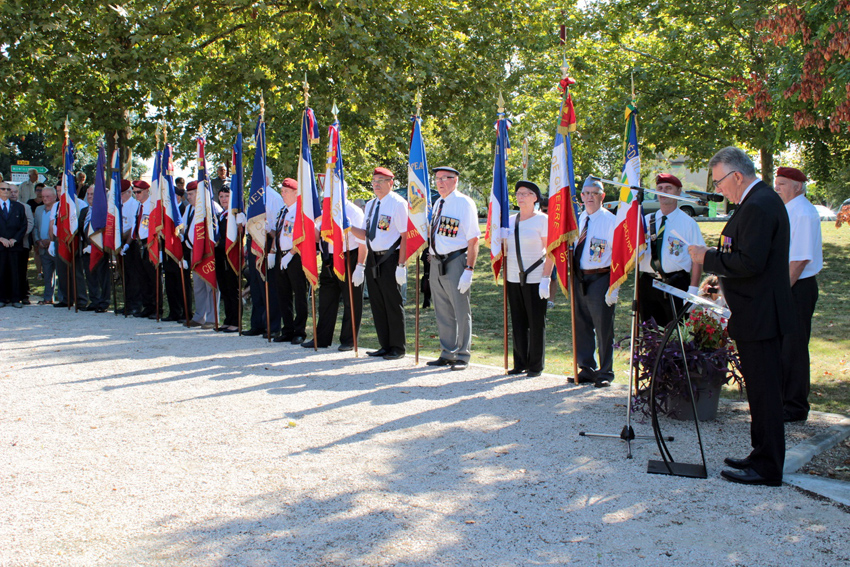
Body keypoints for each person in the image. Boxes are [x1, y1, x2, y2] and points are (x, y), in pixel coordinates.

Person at [688, 146, 795, 487]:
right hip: (754, 313)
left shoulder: (760, 205)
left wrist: (708, 258)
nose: (718, 189)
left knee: (765, 392)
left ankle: (767, 467)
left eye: (719, 182)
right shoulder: (755, 202)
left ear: (737, 175)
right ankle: (760, 452)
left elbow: (751, 262)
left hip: (762, 315)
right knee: (759, 391)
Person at [774, 166, 822, 423]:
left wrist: (780, 292)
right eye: (776, 183)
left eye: (782, 183)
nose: (777, 187)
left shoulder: (802, 212)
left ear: (797, 186)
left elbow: (800, 260)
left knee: (793, 349)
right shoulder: (790, 210)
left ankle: (794, 406)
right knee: (784, 347)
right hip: (789, 285)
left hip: (797, 287)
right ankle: (783, 400)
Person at [425, 166, 481, 370]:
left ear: (455, 180)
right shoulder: (438, 202)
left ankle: (463, 354)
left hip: (456, 262)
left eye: (444, 178)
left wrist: (469, 269)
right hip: (437, 262)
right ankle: (447, 352)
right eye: (437, 178)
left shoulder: (464, 203)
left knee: (460, 309)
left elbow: (474, 238)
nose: (440, 183)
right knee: (442, 310)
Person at [350, 167, 408, 360]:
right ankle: (385, 344)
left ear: (391, 183)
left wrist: (401, 265)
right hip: (374, 258)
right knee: (377, 303)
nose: (376, 184)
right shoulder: (372, 205)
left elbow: (405, 236)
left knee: (392, 303)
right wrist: (347, 227)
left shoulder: (398, 204)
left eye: (382, 180)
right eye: (374, 180)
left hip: (391, 258)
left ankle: (398, 347)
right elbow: (366, 234)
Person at [638, 173, 705, 327]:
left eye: (669, 188)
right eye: (660, 188)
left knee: (675, 333)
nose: (664, 191)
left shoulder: (688, 223)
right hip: (648, 282)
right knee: (649, 333)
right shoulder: (646, 220)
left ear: (678, 191)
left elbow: (697, 259)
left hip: (675, 283)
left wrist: (693, 290)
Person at [570, 177, 617, 388]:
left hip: (601, 277)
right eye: (586, 193)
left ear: (602, 196)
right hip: (580, 277)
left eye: (594, 193)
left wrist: (614, 286)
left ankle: (605, 371)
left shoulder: (610, 221)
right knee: (581, 324)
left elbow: (618, 256)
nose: (589, 197)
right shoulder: (580, 218)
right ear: (581, 196)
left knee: (603, 326)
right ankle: (586, 368)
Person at [504, 181, 554, 377]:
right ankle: (520, 362)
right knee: (518, 321)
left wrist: (546, 278)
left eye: (525, 193)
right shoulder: (509, 220)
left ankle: (535, 365)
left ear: (535, 198)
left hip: (535, 277)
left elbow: (551, 251)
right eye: (518, 193)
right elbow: (504, 250)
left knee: (535, 322)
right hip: (513, 277)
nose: (520, 197)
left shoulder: (542, 220)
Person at [302, 199, 367, 350]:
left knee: (351, 301)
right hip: (329, 259)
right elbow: (318, 237)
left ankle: (349, 340)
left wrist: (360, 266)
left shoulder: (354, 211)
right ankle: (322, 338)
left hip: (349, 256)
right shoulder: (325, 211)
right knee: (326, 301)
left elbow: (363, 240)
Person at [244, 166, 283, 337]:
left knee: (269, 285)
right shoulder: (254, 197)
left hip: (268, 241)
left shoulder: (274, 197)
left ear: (266, 178)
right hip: (253, 240)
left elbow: (278, 227)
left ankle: (272, 326)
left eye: (256, 177)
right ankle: (257, 324)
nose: (253, 180)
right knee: (256, 284)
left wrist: (268, 231)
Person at [272, 178, 307, 344]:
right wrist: (274, 251)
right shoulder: (283, 211)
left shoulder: (300, 212)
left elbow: (303, 236)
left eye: (286, 191)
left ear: (295, 193)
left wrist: (291, 253)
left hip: (295, 256)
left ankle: (299, 331)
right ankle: (287, 329)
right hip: (281, 255)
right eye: (282, 191)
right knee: (283, 294)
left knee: (299, 294)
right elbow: (280, 233)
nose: (282, 194)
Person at [184, 180, 222, 329]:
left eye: (191, 194)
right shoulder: (190, 209)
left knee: (210, 285)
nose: (189, 197)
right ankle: (200, 316)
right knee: (198, 286)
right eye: (187, 194)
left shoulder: (212, 207)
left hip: (208, 252)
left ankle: (212, 318)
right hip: (194, 251)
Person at [78, 185, 111, 313]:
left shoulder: (105, 212)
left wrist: (96, 245)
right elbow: (81, 229)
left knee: (103, 276)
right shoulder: (84, 211)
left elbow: (106, 231)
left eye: (92, 194)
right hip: (86, 248)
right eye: (88, 194)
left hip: (100, 248)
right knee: (90, 275)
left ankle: (104, 302)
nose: (90, 197)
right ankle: (94, 300)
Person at [214, 185, 240, 332]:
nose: (224, 199)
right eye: (222, 196)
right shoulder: (221, 215)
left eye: (227, 196)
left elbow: (234, 237)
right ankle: (228, 318)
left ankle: (236, 321)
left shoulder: (234, 215)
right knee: (224, 288)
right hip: (219, 255)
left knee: (232, 289)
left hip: (231, 256)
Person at [0, 181, 29, 307]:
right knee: (0, 272)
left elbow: (24, 225)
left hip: (15, 245)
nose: (7, 191)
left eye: (8, 189)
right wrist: (1, 239)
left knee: (16, 272)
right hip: (0, 245)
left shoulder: (18, 207)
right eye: (3, 189)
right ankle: (1, 298)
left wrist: (14, 239)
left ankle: (16, 299)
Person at [33, 186, 58, 304]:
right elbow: (35, 227)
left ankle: (63, 298)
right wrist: (38, 241)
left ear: (54, 197)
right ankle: (48, 298)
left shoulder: (60, 208)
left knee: (61, 274)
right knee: (47, 274)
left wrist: (51, 240)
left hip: (56, 246)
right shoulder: (38, 209)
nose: (45, 199)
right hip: (42, 247)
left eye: (48, 196)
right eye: (43, 196)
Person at [9, 185, 34, 304]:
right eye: (11, 191)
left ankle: (23, 294)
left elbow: (29, 224)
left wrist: (17, 237)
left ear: (19, 193)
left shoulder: (25, 207)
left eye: (15, 192)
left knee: (21, 270)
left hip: (21, 244)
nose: (13, 194)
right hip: (5, 245)